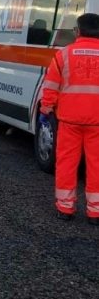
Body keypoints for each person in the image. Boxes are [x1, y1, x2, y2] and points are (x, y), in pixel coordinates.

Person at [39, 12, 99, 225]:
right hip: (97, 123)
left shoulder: (64, 54)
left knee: (66, 163)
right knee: (97, 165)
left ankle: (65, 208)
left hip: (69, 121)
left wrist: (46, 109)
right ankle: (95, 213)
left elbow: (51, 85)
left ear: (78, 31)